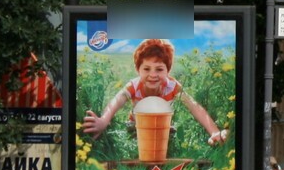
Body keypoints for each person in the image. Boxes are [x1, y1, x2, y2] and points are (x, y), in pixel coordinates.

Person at [81, 38, 229, 146]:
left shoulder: (172, 86)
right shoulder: (134, 86)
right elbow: (116, 102)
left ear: (167, 71)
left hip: (163, 128)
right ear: (138, 70)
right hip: (136, 128)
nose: (153, 75)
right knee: (134, 140)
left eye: (159, 69)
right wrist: (103, 121)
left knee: (168, 138)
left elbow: (195, 107)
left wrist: (214, 132)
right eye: (146, 69)